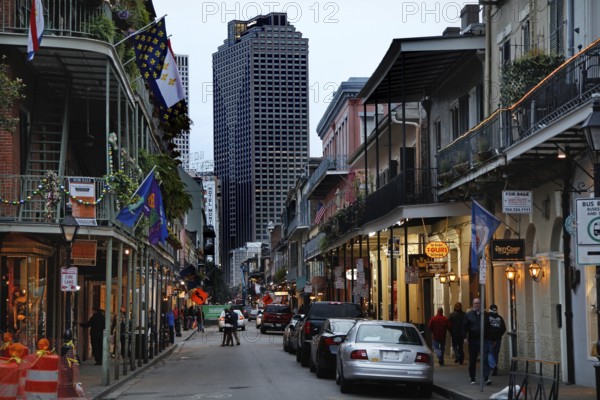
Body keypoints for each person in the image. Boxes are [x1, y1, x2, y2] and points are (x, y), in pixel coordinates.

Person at [463, 298, 490, 385]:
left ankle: (486, 377)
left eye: (478, 303)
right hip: (473, 339)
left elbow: (489, 326)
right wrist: (465, 338)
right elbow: (464, 327)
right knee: (473, 359)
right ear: (472, 304)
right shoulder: (469, 315)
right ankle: (472, 377)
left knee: (485, 358)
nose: (476, 305)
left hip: (484, 339)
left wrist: (490, 337)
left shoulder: (485, 314)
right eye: (475, 303)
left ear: (480, 304)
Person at [485, 304, 507, 376]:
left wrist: (488, 336)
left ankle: (493, 366)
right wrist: (498, 335)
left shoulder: (487, 317)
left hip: (489, 339)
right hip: (498, 339)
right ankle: (495, 367)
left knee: (490, 353)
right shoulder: (500, 318)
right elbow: (503, 328)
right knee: (495, 353)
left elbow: (485, 328)